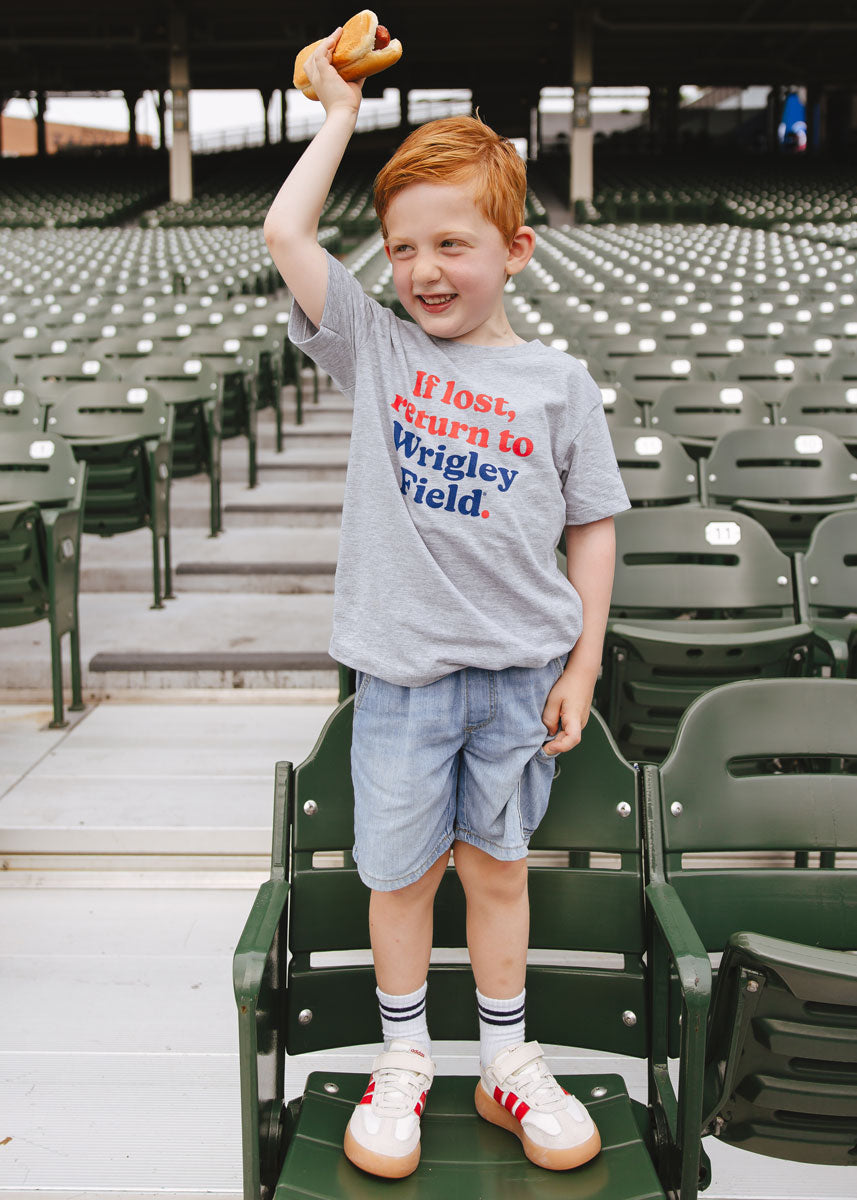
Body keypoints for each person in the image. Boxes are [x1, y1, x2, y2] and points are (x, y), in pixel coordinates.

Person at [264, 27, 630, 1181]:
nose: (422, 268)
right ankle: (404, 1060)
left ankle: (506, 1068)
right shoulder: (374, 349)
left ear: (514, 248)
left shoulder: (558, 384)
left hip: (520, 679)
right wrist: (333, 115)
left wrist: (577, 671)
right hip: (404, 682)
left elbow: (593, 528)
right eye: (402, 245)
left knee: (499, 874)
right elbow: (283, 233)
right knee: (400, 878)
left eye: (452, 244)